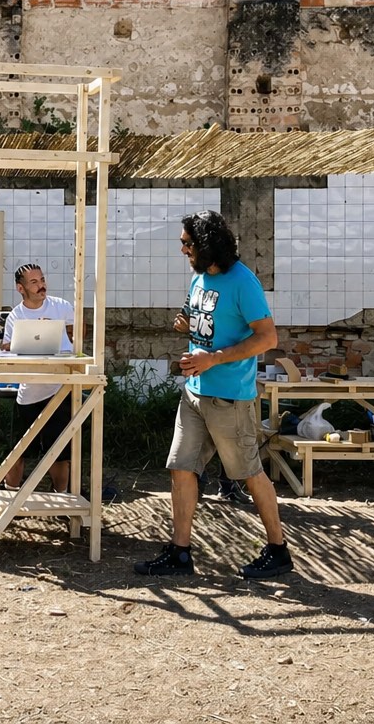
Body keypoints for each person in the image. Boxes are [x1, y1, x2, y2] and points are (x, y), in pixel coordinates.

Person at [135, 211, 295, 579]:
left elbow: (267, 338)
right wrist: (188, 326)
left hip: (229, 398)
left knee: (249, 473)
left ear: (207, 244)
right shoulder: (199, 278)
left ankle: (278, 550)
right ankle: (180, 552)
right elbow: (206, 325)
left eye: (187, 243)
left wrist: (215, 359)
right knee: (181, 468)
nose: (182, 250)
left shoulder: (244, 282)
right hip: (194, 393)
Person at [1, 263, 77, 492]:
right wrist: (32, 335)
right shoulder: (16, 315)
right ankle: (10, 496)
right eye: (34, 282)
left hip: (60, 387)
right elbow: (6, 346)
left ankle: (61, 497)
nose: (41, 285)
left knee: (60, 449)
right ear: (20, 288)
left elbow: (76, 333)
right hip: (30, 390)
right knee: (19, 447)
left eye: (42, 279)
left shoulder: (61, 306)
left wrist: (60, 339)